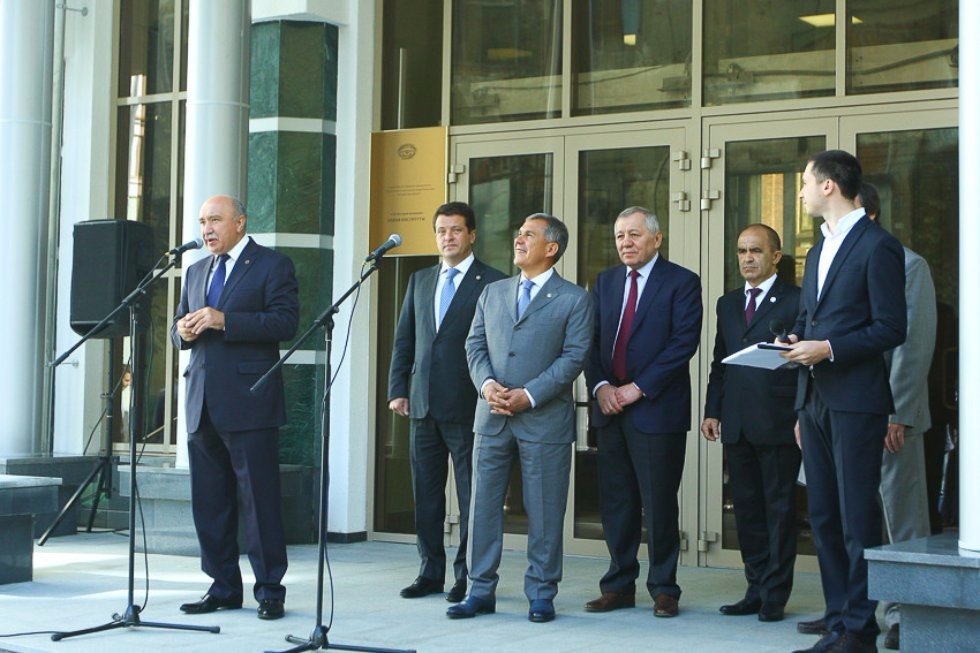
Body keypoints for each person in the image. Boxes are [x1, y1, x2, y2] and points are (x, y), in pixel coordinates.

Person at [796, 183, 937, 651]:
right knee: (833, 515)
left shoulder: (902, 261)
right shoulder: (819, 254)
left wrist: (898, 412)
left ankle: (899, 613)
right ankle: (847, 617)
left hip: (882, 411)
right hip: (826, 405)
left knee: (892, 517)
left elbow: (909, 346)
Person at [782, 152, 906, 653]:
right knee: (825, 519)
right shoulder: (816, 251)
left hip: (856, 400)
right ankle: (837, 625)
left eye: (806, 183)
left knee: (857, 518)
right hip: (812, 398)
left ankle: (859, 631)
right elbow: (814, 325)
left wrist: (829, 348)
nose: (802, 192)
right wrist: (797, 350)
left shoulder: (879, 247)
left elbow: (891, 328)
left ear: (830, 185)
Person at [448, 213, 592, 623]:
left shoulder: (575, 299)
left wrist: (529, 395)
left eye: (529, 234)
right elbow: (474, 344)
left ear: (552, 248)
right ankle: (480, 589)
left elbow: (574, 357)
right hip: (491, 414)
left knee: (545, 510)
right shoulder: (493, 292)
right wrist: (487, 385)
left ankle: (542, 592)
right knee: (483, 507)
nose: (518, 238)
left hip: (543, 418)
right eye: (518, 232)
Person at [171, 195, 299, 621]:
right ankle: (223, 585)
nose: (207, 229)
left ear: (240, 222)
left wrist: (224, 319)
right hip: (201, 402)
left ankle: (269, 590)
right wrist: (182, 331)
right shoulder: (194, 271)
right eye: (203, 221)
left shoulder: (271, 265)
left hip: (250, 402)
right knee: (210, 502)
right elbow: (178, 332)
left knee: (258, 503)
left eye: (216, 220)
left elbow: (285, 323)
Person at [583, 207, 702, 619]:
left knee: (659, 503)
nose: (625, 243)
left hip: (656, 409)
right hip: (610, 410)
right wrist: (600, 388)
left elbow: (683, 343)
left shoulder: (682, 282)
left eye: (633, 235)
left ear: (656, 238)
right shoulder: (606, 281)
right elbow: (591, 340)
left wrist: (637, 388)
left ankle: (664, 588)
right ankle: (618, 585)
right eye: (619, 236)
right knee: (617, 503)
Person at [388, 202, 506, 603]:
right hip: (421, 405)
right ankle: (429, 571)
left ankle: (468, 575)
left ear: (472, 234)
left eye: (456, 230)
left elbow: (496, 345)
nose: (448, 237)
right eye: (441, 230)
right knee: (425, 494)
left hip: (470, 405)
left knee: (474, 496)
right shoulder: (420, 280)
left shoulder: (493, 282)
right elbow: (405, 338)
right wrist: (397, 388)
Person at [701, 224, 801, 623]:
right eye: (741, 250)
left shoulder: (796, 300)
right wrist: (713, 410)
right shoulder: (727, 304)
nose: (747, 258)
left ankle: (775, 595)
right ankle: (754, 587)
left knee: (778, 510)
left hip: (778, 421)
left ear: (775, 256)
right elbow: (719, 361)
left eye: (756, 251)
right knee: (746, 511)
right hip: (737, 422)